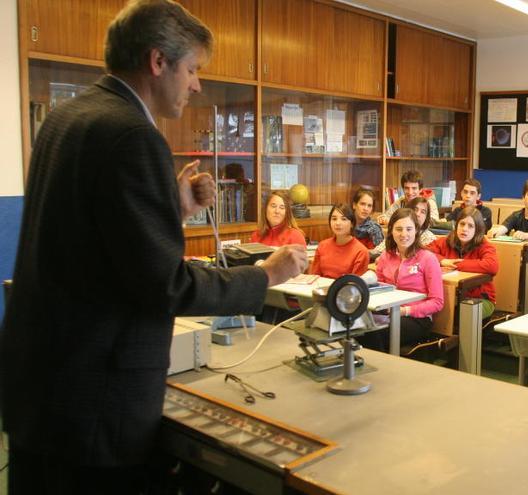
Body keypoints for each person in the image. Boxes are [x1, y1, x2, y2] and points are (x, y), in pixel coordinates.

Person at [0, 2, 308, 493]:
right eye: (192, 69)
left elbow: (94, 242)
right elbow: (164, 284)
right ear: (157, 62)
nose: (196, 85)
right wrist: (266, 275)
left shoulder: (67, 118)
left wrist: (173, 210)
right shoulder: (132, 135)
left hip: (44, 386)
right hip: (97, 403)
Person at [375, 208, 444, 347]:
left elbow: (437, 302)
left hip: (417, 318)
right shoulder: (385, 257)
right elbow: (378, 291)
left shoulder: (427, 258)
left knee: (377, 334)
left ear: (417, 231)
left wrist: (405, 311)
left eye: (409, 229)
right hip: (388, 313)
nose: (404, 234)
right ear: (391, 231)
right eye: (399, 229)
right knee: (358, 328)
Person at [427, 206, 499, 317]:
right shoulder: (447, 240)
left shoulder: (484, 245)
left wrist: (457, 264)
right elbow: (424, 252)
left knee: (465, 313)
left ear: (477, 230)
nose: (465, 229)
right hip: (450, 296)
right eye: (462, 224)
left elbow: (492, 266)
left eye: (470, 226)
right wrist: (443, 261)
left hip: (479, 298)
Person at [488, 177, 528, 263]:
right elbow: (503, 228)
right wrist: (495, 231)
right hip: (518, 256)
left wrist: (525, 235)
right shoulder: (516, 215)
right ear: (523, 197)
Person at [309, 204, 370, 279]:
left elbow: (355, 284)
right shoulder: (322, 246)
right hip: (321, 289)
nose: (338, 223)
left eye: (343, 219)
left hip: (346, 289)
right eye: (334, 219)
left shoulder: (361, 252)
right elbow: (314, 277)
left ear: (352, 224)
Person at [372, 196, 437, 258]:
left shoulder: (429, 238)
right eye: (415, 209)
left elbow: (418, 261)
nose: (418, 214)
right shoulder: (397, 231)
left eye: (423, 212)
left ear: (426, 218)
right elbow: (376, 252)